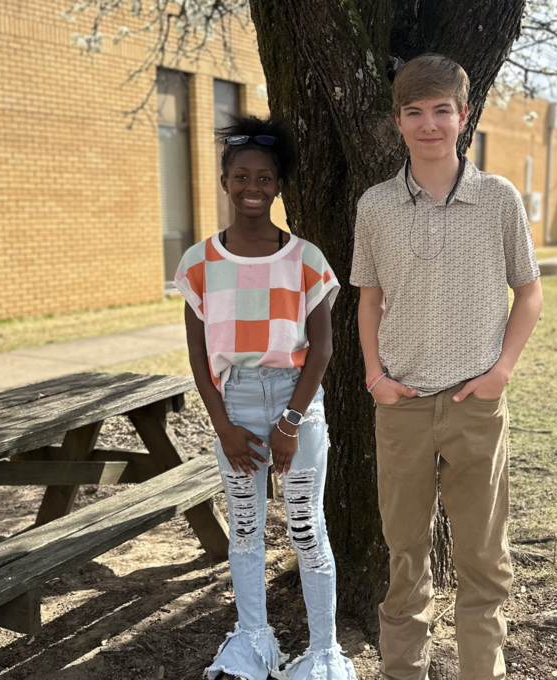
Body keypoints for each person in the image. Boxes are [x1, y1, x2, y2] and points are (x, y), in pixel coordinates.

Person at [350, 55, 543, 680]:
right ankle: (403, 672)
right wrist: (375, 378)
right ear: (398, 122)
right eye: (414, 112)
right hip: (401, 407)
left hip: (475, 405)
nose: (428, 124)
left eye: (441, 111)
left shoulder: (498, 199)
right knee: (405, 555)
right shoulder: (376, 205)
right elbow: (369, 300)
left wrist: (501, 370)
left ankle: (482, 671)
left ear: (463, 115)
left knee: (484, 558)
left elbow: (529, 292)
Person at [175, 116, 356, 680]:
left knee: (306, 528)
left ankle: (323, 654)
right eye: (241, 176)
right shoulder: (199, 262)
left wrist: (290, 423)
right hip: (233, 405)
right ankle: (253, 643)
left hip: (294, 402)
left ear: (279, 185)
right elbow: (198, 355)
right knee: (246, 530)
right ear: (225, 181)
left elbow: (322, 348)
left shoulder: (305, 259)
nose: (252, 187)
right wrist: (224, 427)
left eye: (265, 177)